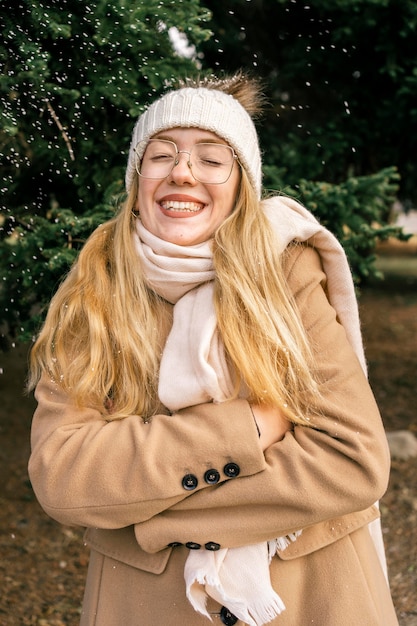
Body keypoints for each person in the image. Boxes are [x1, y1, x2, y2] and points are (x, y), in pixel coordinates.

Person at [27, 72, 398, 626]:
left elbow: (352, 461)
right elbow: (65, 476)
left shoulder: (286, 272)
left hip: (309, 595)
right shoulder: (95, 290)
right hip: (147, 605)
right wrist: (246, 429)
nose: (183, 172)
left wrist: (153, 519)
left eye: (211, 158)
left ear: (240, 182)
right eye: (162, 155)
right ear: (137, 177)